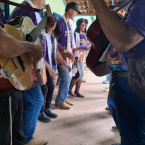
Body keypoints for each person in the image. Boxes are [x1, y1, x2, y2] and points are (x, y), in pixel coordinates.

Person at [91, 0, 145, 144]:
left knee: (134, 135)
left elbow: (124, 42)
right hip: (126, 78)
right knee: (127, 128)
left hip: (134, 82)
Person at [10, 0, 55, 144]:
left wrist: (46, 26)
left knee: (31, 102)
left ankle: (24, 138)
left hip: (34, 65)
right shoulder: (24, 10)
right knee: (35, 101)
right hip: (26, 66)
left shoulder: (33, 11)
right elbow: (17, 42)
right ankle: (25, 139)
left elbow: (34, 39)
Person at [0, 8, 43, 145]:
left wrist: (25, 73)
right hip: (3, 85)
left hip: (10, 82)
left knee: (16, 133)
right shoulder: (23, 10)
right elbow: (3, 45)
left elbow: (11, 36)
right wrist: (31, 47)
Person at [39, 16, 72, 122]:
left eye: (54, 22)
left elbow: (57, 53)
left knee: (51, 87)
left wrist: (65, 64)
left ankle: (47, 109)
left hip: (50, 65)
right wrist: (48, 67)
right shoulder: (42, 35)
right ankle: (41, 112)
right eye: (51, 22)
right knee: (44, 89)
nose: (54, 24)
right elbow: (40, 55)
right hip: (42, 65)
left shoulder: (53, 36)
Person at [55, 1, 80, 110]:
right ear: (70, 10)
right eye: (75, 11)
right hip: (60, 55)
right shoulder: (60, 22)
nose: (76, 14)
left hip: (67, 55)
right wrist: (65, 51)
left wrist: (71, 52)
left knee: (68, 77)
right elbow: (54, 40)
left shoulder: (69, 23)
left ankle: (63, 98)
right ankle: (60, 100)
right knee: (66, 77)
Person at [68, 18, 90, 98]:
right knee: (79, 74)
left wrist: (88, 47)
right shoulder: (75, 34)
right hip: (77, 56)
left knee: (81, 74)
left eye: (84, 25)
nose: (83, 27)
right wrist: (82, 48)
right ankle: (70, 90)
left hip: (82, 57)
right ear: (78, 25)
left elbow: (86, 45)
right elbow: (73, 47)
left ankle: (77, 91)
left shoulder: (84, 34)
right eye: (82, 25)